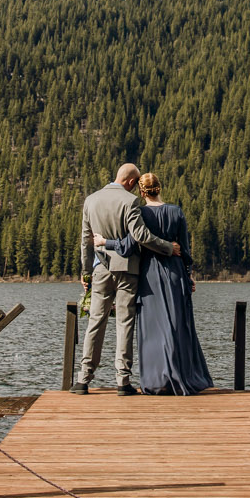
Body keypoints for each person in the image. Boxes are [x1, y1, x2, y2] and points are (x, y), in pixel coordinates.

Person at [74, 163, 177, 396]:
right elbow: (140, 236)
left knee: (95, 322)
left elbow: (85, 240)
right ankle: (123, 380)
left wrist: (86, 271)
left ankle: (83, 378)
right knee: (124, 323)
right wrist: (168, 247)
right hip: (127, 270)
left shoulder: (91, 200)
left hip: (100, 269)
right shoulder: (130, 202)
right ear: (131, 182)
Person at [133, 173, 212, 395]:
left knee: (152, 328)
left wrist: (104, 243)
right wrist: (188, 276)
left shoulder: (139, 213)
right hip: (175, 272)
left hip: (149, 274)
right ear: (160, 188)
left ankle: (156, 380)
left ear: (141, 192)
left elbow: (134, 242)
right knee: (179, 326)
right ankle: (184, 375)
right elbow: (185, 250)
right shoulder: (176, 212)